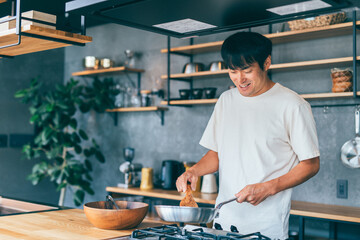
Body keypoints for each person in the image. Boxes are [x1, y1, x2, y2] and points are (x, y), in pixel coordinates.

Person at [176, 31, 320, 239]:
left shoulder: (293, 105)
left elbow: (311, 164)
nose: (239, 79)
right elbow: (217, 153)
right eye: (232, 71)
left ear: (266, 62)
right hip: (222, 223)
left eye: (246, 70)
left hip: (265, 228)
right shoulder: (226, 101)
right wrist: (194, 171)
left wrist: (268, 188)